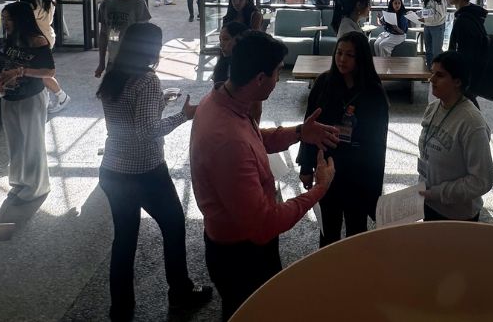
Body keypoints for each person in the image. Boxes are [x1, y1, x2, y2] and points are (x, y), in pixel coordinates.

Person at [190, 31, 339, 320]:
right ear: (259, 79)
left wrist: (299, 133)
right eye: (276, 73)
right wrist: (320, 188)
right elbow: (264, 224)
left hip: (231, 241)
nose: (278, 80)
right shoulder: (228, 140)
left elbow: (254, 140)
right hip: (242, 255)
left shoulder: (220, 100)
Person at [96, 23, 212, 320]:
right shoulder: (146, 80)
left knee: (124, 239)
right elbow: (146, 131)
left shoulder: (114, 75)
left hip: (112, 170)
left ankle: (120, 307)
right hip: (145, 172)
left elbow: (128, 119)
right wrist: (182, 117)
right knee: (173, 226)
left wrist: (160, 101)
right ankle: (180, 293)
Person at [296, 32, 388, 246]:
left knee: (357, 230)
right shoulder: (323, 83)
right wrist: (306, 167)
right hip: (327, 164)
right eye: (339, 53)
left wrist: (374, 189)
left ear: (361, 58)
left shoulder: (373, 92)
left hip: (358, 170)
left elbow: (378, 145)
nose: (342, 59)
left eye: (349, 55)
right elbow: (309, 127)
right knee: (328, 229)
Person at [418, 51, 493, 221]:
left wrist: (438, 193)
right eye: (432, 73)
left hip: (457, 216)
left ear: (457, 82)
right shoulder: (433, 108)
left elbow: (481, 180)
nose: (432, 80)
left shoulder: (472, 123)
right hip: (429, 203)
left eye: (440, 75)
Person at [0, 1, 56, 205]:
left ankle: (37, 187)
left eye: (8, 19)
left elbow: (49, 72)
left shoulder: (38, 41)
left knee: (32, 143)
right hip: (9, 95)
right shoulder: (10, 39)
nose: (5, 23)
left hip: (31, 96)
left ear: (21, 19)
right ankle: (20, 181)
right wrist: (2, 78)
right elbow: (8, 63)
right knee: (15, 142)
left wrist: (21, 72)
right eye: (3, 19)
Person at [21, 0, 70, 114]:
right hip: (47, 35)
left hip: (38, 39)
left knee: (41, 72)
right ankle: (47, 100)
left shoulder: (32, 5)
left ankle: (61, 96)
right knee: (39, 69)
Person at [96, 0, 152, 78]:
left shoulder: (138, 4)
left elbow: (146, 34)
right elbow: (103, 34)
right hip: (113, 58)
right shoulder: (106, 4)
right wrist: (101, 63)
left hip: (134, 59)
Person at [445, 0, 488, 107]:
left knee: (467, 107)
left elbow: (465, 53)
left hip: (465, 78)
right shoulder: (473, 16)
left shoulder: (464, 20)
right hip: (470, 76)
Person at [418, 0, 447, 71]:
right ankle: (430, 70)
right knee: (428, 51)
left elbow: (440, 15)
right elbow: (427, 11)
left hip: (437, 26)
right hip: (427, 26)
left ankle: (438, 71)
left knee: (436, 51)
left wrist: (425, 20)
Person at [213, 21, 249, 90]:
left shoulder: (248, 67)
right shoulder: (224, 63)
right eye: (220, 40)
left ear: (240, 40)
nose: (221, 45)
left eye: (226, 39)